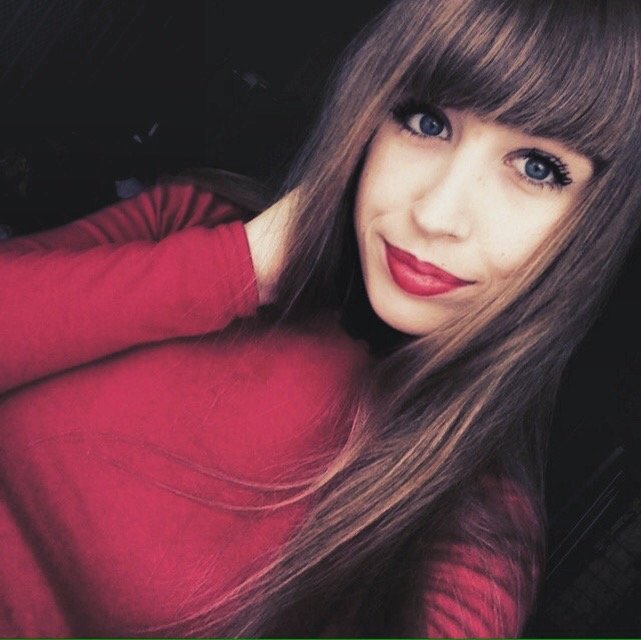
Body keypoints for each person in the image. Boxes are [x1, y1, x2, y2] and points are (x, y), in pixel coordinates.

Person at [1, 0, 640, 636]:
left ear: (598, 226)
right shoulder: (200, 222)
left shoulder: (474, 533)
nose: (436, 215)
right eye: (427, 122)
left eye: (536, 168)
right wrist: (246, 265)